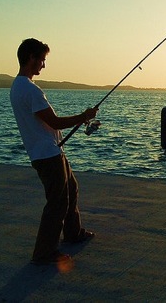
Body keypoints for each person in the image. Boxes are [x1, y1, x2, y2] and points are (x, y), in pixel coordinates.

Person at [10, 38, 98, 265]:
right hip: (47, 154)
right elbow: (56, 123)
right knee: (57, 202)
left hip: (47, 151)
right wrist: (84, 116)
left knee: (71, 188)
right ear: (31, 57)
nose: (43, 65)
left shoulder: (17, 87)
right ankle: (44, 252)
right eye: (42, 60)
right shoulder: (30, 90)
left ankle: (73, 233)